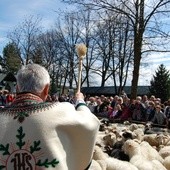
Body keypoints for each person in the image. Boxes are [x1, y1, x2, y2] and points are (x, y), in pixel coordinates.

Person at [0, 64, 100, 170]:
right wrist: (80, 101)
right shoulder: (61, 111)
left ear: (17, 88)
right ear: (46, 89)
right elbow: (90, 122)